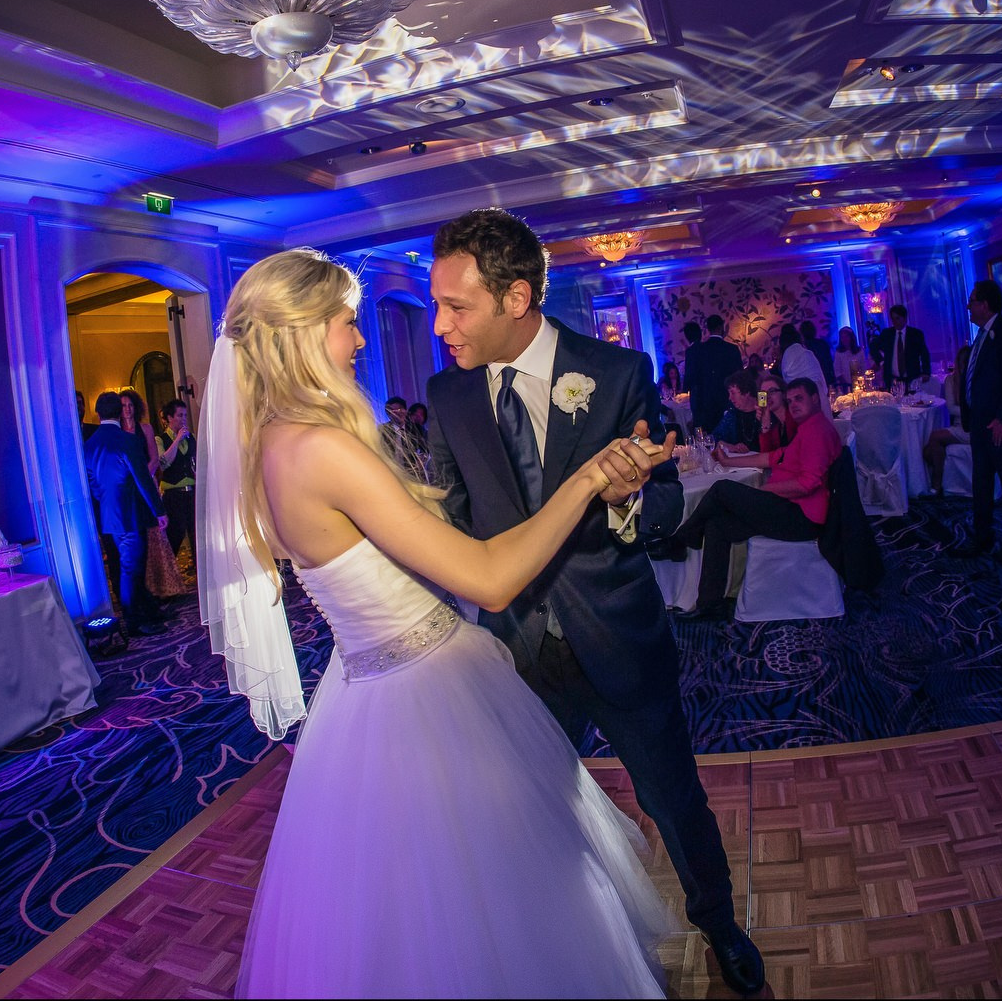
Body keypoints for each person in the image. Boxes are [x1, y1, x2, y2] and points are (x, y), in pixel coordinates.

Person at [202, 247, 676, 999]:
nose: (360, 343)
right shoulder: (321, 449)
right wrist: (589, 478)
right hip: (424, 688)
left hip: (365, 688)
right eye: (347, 325)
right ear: (298, 332)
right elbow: (488, 579)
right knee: (502, 905)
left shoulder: (270, 449)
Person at [422, 208, 765, 995]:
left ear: (516, 299)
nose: (440, 325)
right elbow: (453, 516)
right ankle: (563, 944)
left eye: (456, 306)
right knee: (529, 816)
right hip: (513, 656)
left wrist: (628, 502)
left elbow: (673, 506)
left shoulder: (615, 375)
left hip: (618, 637)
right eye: (436, 305)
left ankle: (719, 924)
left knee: (674, 802)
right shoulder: (448, 395)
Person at [669, 378, 843, 617]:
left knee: (722, 489)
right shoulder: (808, 428)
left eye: (799, 398)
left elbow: (808, 483)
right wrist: (729, 461)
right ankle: (710, 604)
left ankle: (680, 540)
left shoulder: (816, 431)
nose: (793, 405)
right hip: (792, 508)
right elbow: (771, 457)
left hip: (803, 517)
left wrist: (761, 492)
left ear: (816, 399)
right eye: (790, 400)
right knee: (717, 525)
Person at [954, 279, 1002, 557]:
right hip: (980, 423)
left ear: (984, 304)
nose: (968, 307)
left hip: (999, 426)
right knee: (981, 483)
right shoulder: (983, 334)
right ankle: (982, 537)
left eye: (972, 301)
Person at [87, 391, 168, 636]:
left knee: (128, 567)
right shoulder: (126, 440)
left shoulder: (89, 444)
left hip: (108, 515)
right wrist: (159, 510)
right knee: (131, 569)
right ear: (119, 412)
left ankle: (150, 609)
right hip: (130, 514)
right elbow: (142, 479)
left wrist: (106, 500)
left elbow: (91, 481)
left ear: (98, 413)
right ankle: (133, 621)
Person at [683, 315, 745, 436]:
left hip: (704, 404)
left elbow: (691, 378)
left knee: (706, 441)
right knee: (728, 437)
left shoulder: (697, 350)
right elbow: (739, 378)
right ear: (721, 327)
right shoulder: (731, 349)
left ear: (707, 329)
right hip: (726, 401)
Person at [923, 344, 971, 495]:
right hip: (959, 426)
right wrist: (973, 412)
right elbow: (951, 409)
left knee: (934, 439)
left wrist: (974, 415)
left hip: (974, 428)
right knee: (927, 449)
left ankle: (937, 483)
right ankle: (939, 482)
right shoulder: (951, 380)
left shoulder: (976, 380)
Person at [156, 398, 197, 559]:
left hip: (191, 492)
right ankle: (170, 576)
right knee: (175, 534)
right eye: (180, 415)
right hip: (173, 494)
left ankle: (199, 572)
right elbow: (164, 463)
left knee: (195, 535)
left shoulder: (190, 437)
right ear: (169, 418)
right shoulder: (160, 439)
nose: (184, 419)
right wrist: (177, 439)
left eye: (185, 415)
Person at [873, 304, 930, 391]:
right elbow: (873, 346)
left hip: (912, 378)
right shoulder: (887, 334)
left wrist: (926, 372)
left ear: (905, 318)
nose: (895, 322)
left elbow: (924, 354)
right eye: (893, 319)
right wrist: (881, 361)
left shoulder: (915, 334)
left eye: (898, 318)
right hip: (892, 379)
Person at [778, 324, 828, 412]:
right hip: (817, 395)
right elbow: (819, 376)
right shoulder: (807, 354)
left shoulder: (786, 357)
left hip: (797, 399)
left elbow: (786, 379)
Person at [710, 369, 761, 454]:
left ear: (746, 392)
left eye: (733, 393)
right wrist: (729, 446)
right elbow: (713, 438)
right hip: (739, 463)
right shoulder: (732, 415)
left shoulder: (763, 410)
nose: (730, 398)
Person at [377, 395, 427, 482]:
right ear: (388, 414)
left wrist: (423, 459)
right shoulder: (383, 430)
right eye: (393, 411)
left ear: (406, 411)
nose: (397, 413)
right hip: (391, 474)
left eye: (400, 409)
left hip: (412, 474)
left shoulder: (416, 428)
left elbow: (426, 449)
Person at [119, 388, 162, 479]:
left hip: (146, 477)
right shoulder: (117, 431)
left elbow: (154, 459)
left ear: (136, 407)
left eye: (130, 405)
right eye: (124, 405)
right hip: (126, 482)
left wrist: (143, 477)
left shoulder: (146, 428)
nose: (127, 409)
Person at [799, 318, 835, 387]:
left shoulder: (802, 348)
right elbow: (830, 363)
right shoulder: (822, 343)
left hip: (811, 379)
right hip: (825, 377)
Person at [832, 326, 868, 390]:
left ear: (851, 337)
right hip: (845, 385)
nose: (844, 339)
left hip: (860, 383)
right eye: (842, 337)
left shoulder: (859, 351)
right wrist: (845, 384)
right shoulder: (839, 353)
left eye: (846, 336)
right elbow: (837, 370)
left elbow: (863, 367)